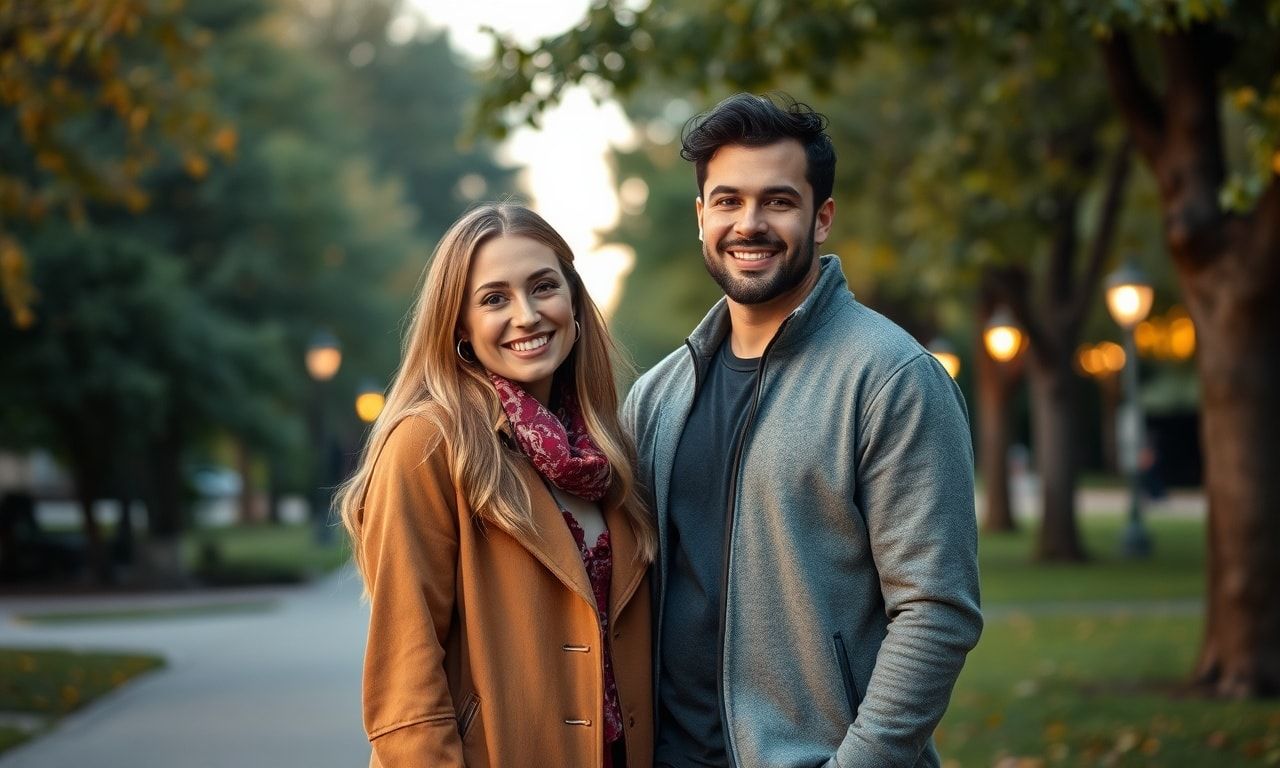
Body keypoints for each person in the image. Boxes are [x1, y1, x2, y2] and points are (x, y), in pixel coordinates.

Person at [622, 93, 983, 768]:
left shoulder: (890, 377)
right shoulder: (657, 396)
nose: (749, 223)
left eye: (777, 202)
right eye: (727, 201)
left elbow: (937, 609)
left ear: (821, 219)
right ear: (701, 218)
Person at [338, 203, 657, 768]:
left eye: (543, 287)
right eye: (494, 299)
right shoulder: (428, 445)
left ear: (575, 302)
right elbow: (404, 688)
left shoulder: (606, 451)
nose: (527, 314)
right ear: (459, 323)